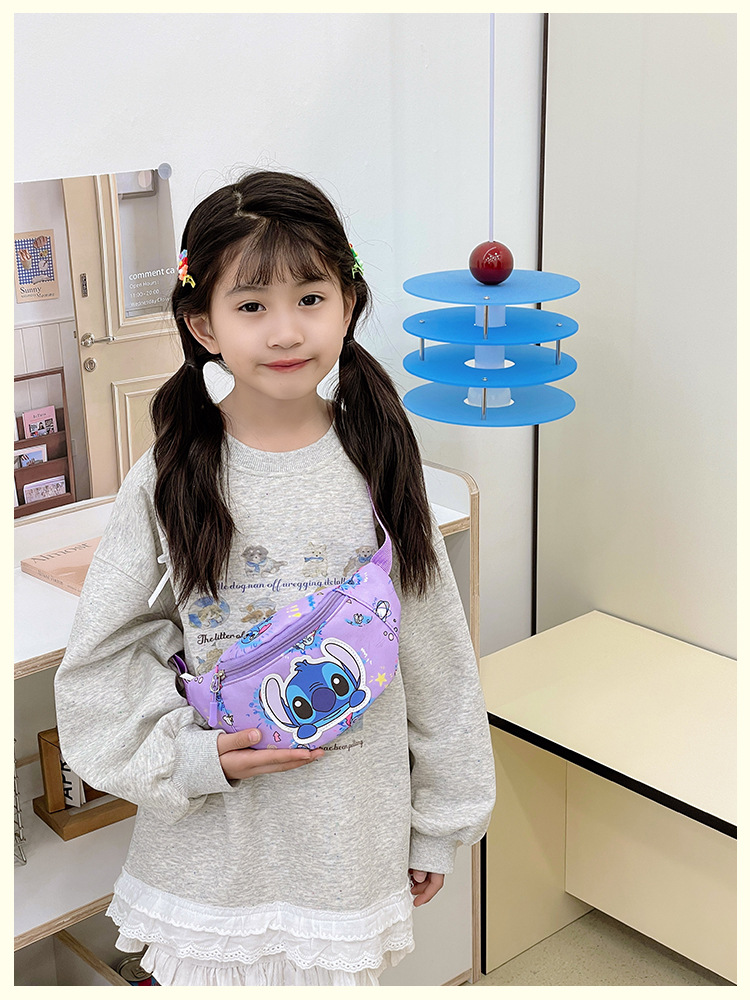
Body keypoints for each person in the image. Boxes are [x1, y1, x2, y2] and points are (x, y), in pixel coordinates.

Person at [54, 170, 496, 987]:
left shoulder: (381, 462)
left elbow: (438, 656)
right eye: (252, 305)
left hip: (348, 848)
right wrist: (192, 759)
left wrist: (440, 821)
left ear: (348, 304)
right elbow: (101, 662)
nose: (286, 331)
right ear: (204, 325)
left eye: (311, 298)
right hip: (209, 857)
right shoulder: (171, 474)